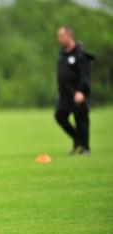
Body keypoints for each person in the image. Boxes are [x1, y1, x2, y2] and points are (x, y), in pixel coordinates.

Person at [55, 26, 95, 155]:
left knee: (81, 119)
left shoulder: (79, 54)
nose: (58, 39)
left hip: (78, 93)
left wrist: (81, 91)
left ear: (68, 36)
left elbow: (84, 75)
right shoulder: (63, 53)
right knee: (60, 115)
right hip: (65, 94)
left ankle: (85, 147)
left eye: (61, 36)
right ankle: (77, 139)